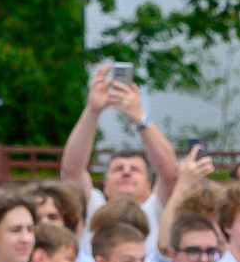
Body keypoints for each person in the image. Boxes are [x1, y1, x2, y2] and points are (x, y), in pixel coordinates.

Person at [60, 62, 180, 234]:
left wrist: (140, 116)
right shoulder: (92, 206)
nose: (126, 172)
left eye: (135, 169)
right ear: (105, 186)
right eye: (117, 169)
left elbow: (170, 174)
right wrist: (92, 110)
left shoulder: (155, 209)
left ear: (149, 186)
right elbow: (72, 170)